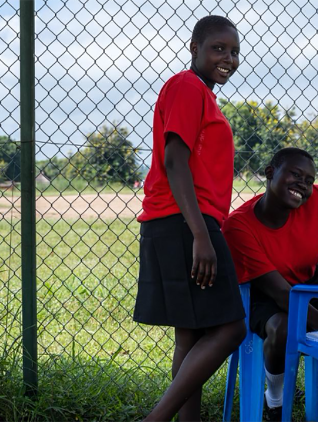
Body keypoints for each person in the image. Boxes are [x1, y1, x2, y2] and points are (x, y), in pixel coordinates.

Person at [132, 15, 247, 422]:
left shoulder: (202, 94)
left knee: (192, 332)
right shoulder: (187, 86)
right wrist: (200, 234)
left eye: (234, 51)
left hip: (176, 221)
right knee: (230, 328)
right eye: (218, 48)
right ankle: (157, 419)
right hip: (186, 222)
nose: (228, 58)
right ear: (194, 48)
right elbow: (174, 159)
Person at [223, 117, 318, 421]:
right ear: (270, 173)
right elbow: (279, 292)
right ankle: (274, 400)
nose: (302, 184)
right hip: (265, 294)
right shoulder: (239, 226)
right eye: (295, 174)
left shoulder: (314, 200)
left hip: (310, 283)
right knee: (283, 328)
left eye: (308, 179)